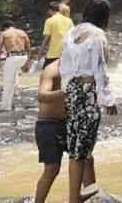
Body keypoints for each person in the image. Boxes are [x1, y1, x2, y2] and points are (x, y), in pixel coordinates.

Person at [59, 0, 117, 203]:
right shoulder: (98, 34)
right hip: (88, 91)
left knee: (79, 145)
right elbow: (100, 68)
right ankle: (74, 199)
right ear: (104, 16)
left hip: (72, 91)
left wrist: (67, 91)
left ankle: (89, 190)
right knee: (81, 151)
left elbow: (63, 67)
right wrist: (108, 100)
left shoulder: (71, 32)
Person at [33, 59, 95, 203]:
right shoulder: (52, 70)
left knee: (86, 158)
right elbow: (41, 96)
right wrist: (64, 93)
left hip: (70, 122)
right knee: (52, 169)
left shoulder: (81, 67)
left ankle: (92, 197)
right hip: (49, 124)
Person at [0, 20, 32, 112]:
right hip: (23, 56)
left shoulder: (4, 33)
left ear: (5, 28)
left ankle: (5, 107)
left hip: (12, 57)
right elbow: (28, 48)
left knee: (8, 83)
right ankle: (17, 101)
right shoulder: (22, 32)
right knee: (15, 77)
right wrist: (28, 61)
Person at [38, 2, 75, 68]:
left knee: (47, 75)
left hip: (54, 55)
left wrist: (40, 52)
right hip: (67, 54)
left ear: (50, 10)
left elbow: (46, 39)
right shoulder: (69, 21)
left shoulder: (49, 21)